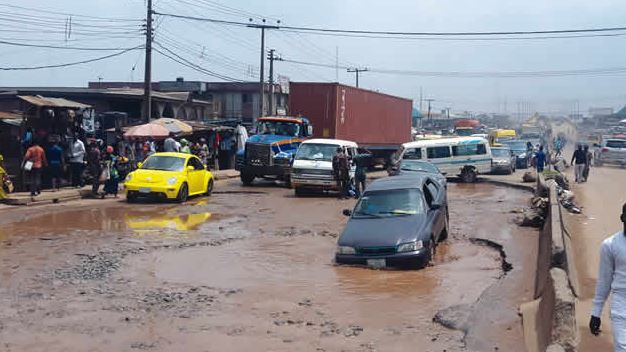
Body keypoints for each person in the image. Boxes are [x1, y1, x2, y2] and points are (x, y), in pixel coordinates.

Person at [590, 203, 626, 351]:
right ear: (622, 218)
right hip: (621, 306)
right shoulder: (610, 245)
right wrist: (596, 312)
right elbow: (604, 280)